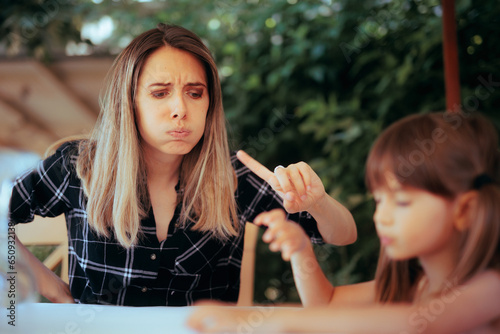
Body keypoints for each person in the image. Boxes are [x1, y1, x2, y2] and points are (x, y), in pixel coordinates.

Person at [8, 23, 357, 306]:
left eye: (195, 92)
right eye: (160, 93)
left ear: (210, 104)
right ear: (129, 103)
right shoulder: (78, 166)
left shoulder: (234, 177)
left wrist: (319, 203)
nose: (180, 109)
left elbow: (343, 235)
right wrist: (51, 287)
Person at [187, 111, 500, 333]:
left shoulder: (490, 289)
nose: (382, 216)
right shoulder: (416, 285)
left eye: (402, 202)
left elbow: (419, 324)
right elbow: (325, 305)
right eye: (379, 200)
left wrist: (261, 322)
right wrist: (300, 251)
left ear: (464, 210)